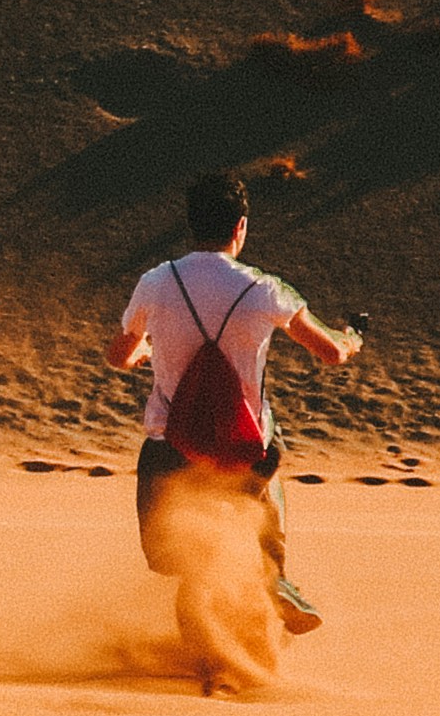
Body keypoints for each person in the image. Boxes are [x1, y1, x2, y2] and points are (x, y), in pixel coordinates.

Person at [106, 167, 361, 677]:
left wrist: (144, 354)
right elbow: (329, 352)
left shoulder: (155, 282)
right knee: (270, 464)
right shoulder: (264, 289)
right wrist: (352, 339)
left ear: (191, 226)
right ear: (240, 228)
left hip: (170, 447)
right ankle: (276, 577)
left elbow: (119, 355)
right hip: (245, 450)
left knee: (174, 561)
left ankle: (216, 650)